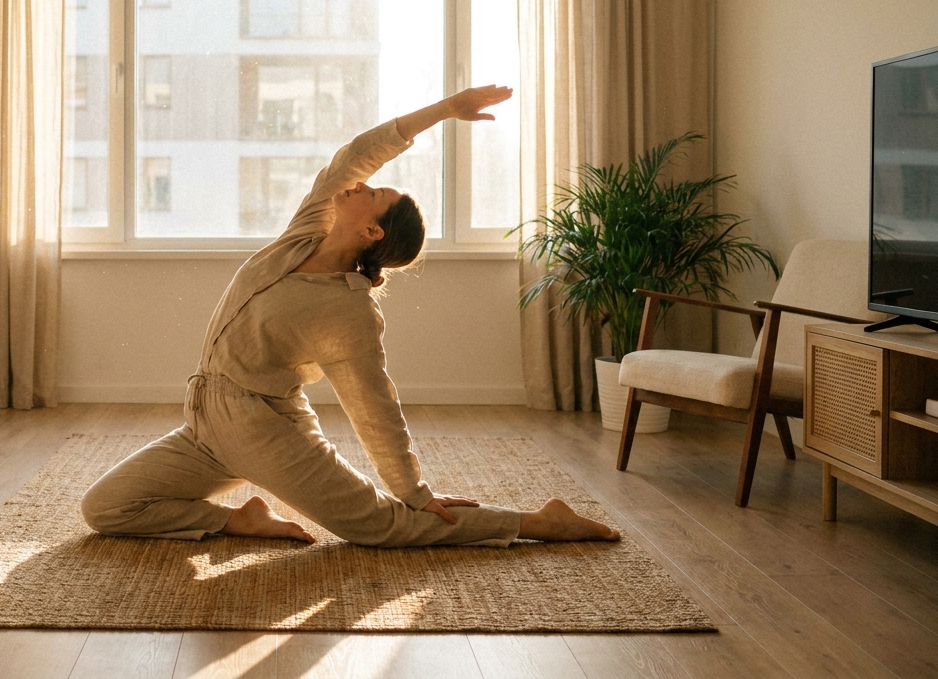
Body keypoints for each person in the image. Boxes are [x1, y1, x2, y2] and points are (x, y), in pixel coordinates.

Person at [81, 86, 620, 548]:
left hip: (264, 429)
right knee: (105, 508)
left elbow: (373, 407)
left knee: (383, 527)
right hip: (205, 421)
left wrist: (414, 491)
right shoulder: (304, 234)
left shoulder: (349, 310)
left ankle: (541, 522)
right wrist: (446, 108)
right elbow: (356, 156)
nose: (361, 184)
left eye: (375, 194)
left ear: (372, 233)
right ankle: (240, 520)